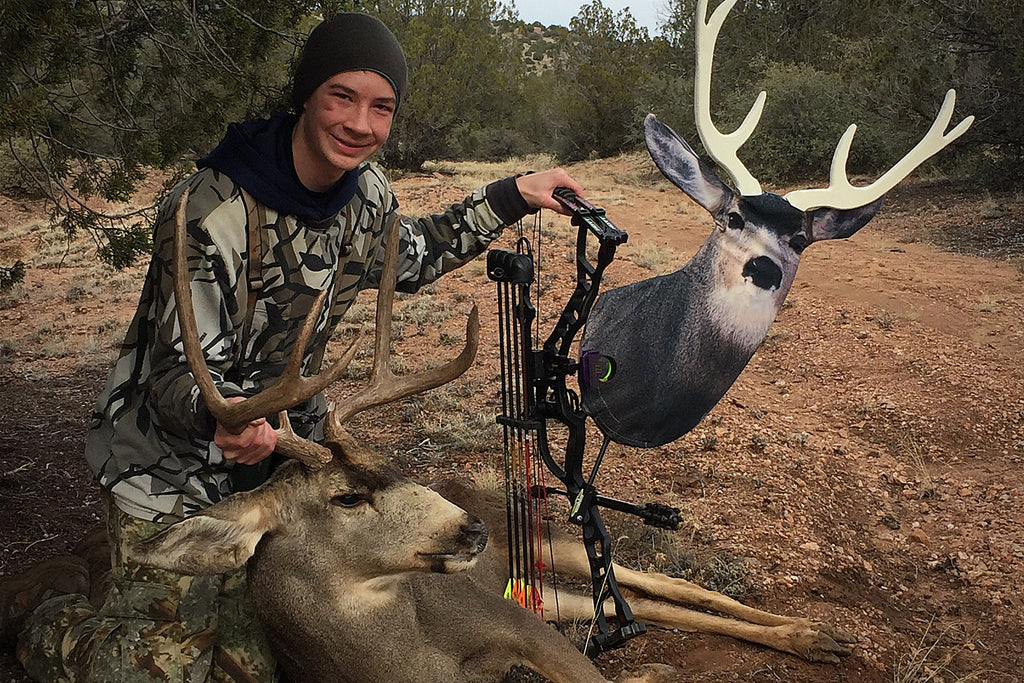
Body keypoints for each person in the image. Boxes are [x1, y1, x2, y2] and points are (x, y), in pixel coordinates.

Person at [2, 12, 584, 682]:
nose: (361, 124)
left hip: (287, 463)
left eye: (381, 107)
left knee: (261, 664)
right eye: (342, 97)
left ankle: (161, 595)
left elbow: (412, 257)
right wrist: (223, 417)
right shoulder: (208, 208)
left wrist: (514, 195)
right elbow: (170, 379)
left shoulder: (365, 197)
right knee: (159, 671)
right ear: (306, 95)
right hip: (166, 462)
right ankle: (46, 613)